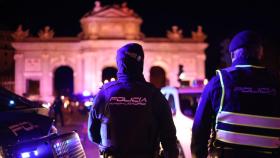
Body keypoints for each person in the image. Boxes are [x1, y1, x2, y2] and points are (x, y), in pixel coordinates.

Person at [191, 30, 280, 158]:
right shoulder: (276, 82)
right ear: (260, 53)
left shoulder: (219, 81)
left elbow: (200, 127)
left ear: (233, 55)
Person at [88, 43, 179, 158]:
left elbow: (92, 134)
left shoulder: (104, 93)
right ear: (140, 62)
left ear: (119, 63)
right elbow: (169, 139)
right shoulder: (155, 95)